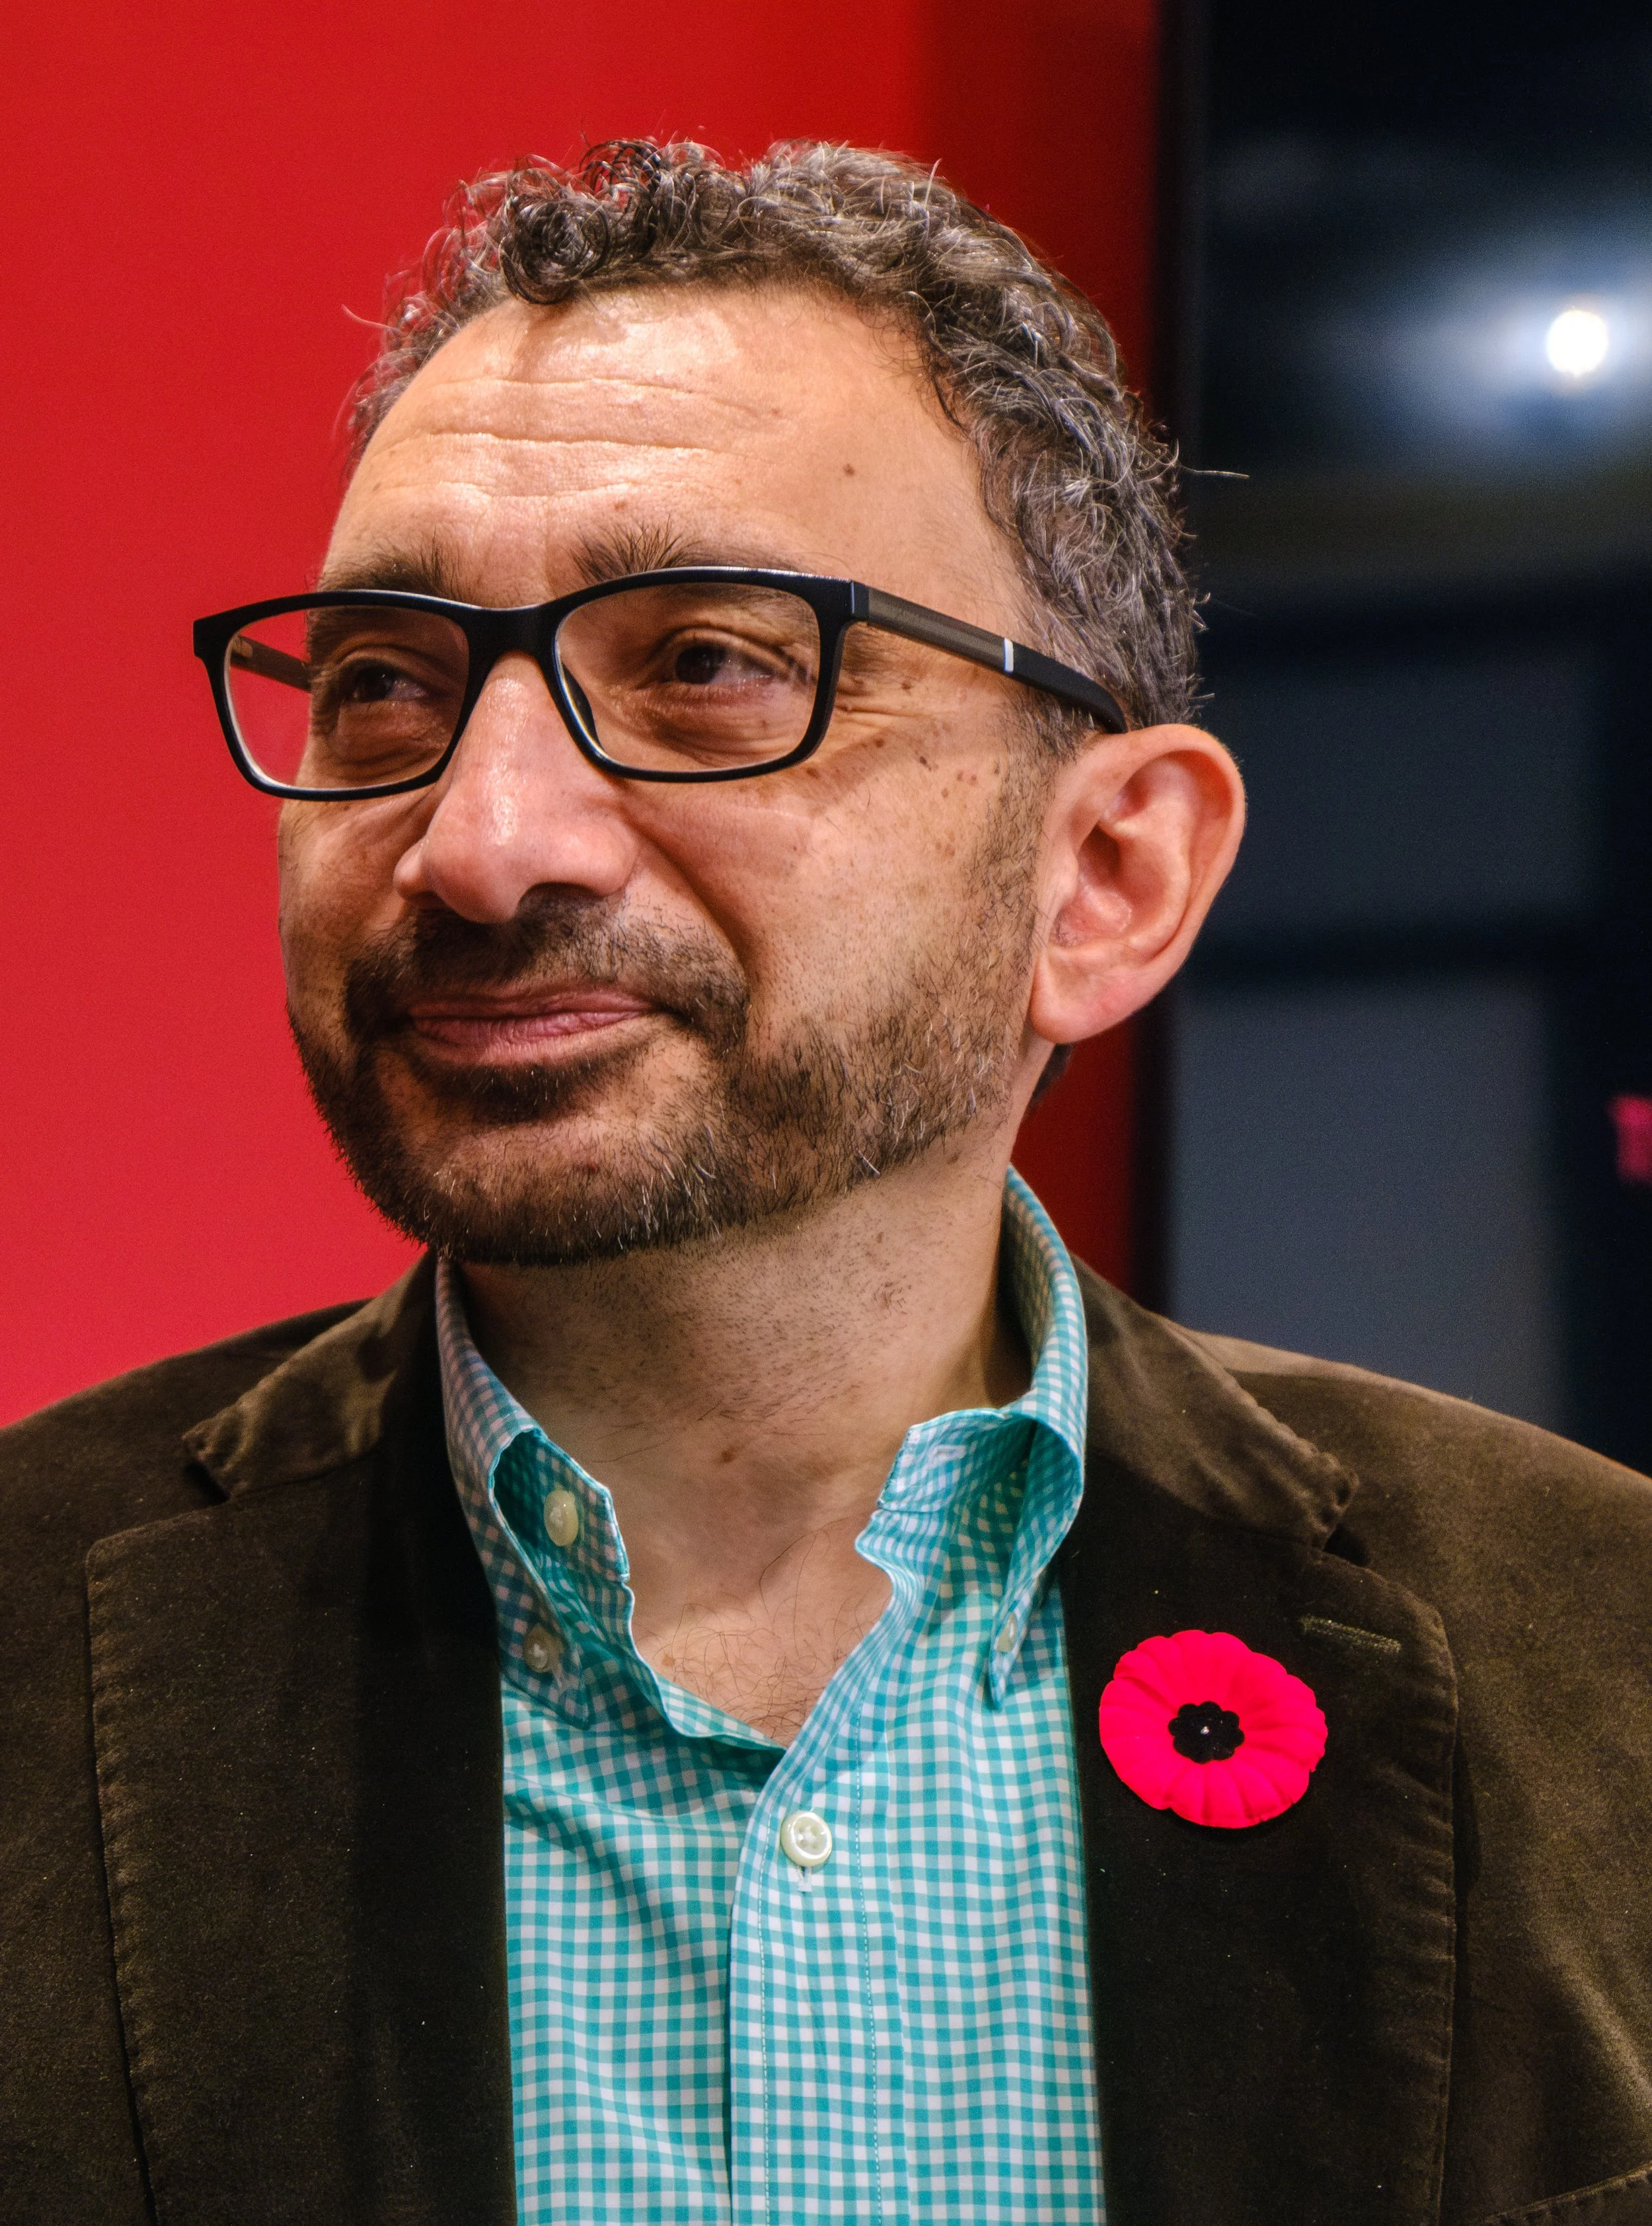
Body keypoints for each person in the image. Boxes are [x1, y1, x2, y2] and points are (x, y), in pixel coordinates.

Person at [2, 139, 1649, 2226]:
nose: (482, 843)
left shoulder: (1600, 1662)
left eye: (706, 665)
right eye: (382, 689)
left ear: (1105, 876)